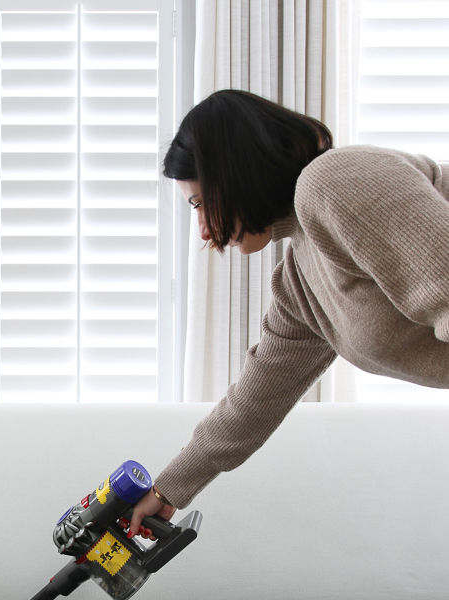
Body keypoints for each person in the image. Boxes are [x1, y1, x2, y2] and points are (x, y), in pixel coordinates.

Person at [129, 89, 449, 537]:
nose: (202, 230)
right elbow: (255, 401)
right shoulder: (301, 282)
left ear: (237, 173)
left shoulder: (337, 181)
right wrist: (165, 492)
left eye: (200, 203)